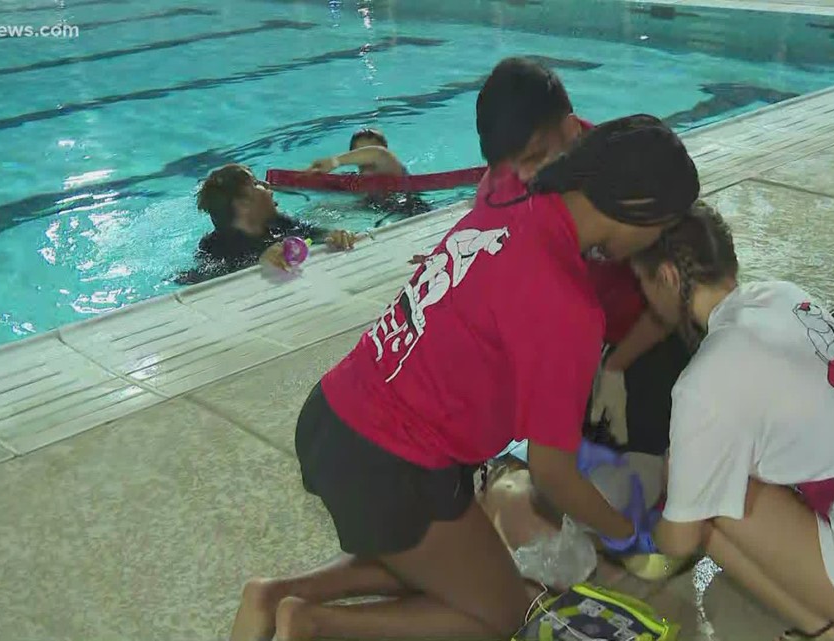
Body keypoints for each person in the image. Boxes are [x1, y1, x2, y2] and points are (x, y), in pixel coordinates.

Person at [228, 114, 700, 641]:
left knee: (460, 563)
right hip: (387, 462)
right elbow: (552, 473)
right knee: (497, 615)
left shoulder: (509, 210)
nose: (656, 241)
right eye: (663, 227)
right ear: (641, 206)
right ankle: (314, 624)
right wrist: (627, 531)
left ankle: (271, 595)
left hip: (336, 412)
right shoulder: (568, 302)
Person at [633, 204, 834, 641]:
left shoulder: (703, 381)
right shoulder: (785, 296)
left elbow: (678, 540)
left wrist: (638, 527)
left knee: (700, 497)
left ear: (667, 278)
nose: (643, 299)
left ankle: (828, 632)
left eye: (642, 282)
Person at [474, 56, 691, 456]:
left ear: (573, 130)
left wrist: (615, 366)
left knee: (660, 442)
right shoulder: (499, 192)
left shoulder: (631, 173)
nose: (526, 177)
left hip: (643, 333)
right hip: (571, 343)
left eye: (537, 156)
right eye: (511, 166)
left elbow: (673, 298)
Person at [174, 164, 356, 284]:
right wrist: (257, 263)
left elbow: (316, 233)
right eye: (255, 183)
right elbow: (199, 279)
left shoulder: (280, 223)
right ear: (243, 203)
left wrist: (334, 235)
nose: (267, 184)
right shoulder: (214, 247)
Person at [307, 128, 432, 221]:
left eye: (368, 152)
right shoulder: (353, 180)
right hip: (375, 208)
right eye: (360, 154)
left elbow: (379, 154)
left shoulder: (393, 169)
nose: (366, 158)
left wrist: (334, 161)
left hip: (414, 214)